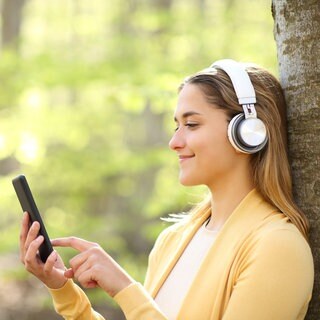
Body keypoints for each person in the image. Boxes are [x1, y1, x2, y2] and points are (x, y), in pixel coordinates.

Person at [20, 59, 314, 320]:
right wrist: (62, 290)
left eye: (192, 124)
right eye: (177, 126)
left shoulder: (277, 247)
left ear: (248, 133)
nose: (174, 142)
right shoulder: (173, 240)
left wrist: (125, 289)